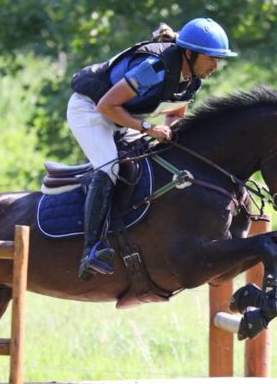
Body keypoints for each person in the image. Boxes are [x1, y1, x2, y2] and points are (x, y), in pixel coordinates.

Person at [67, 17, 238, 280]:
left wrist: (171, 133)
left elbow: (175, 114)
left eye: (218, 59)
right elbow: (106, 106)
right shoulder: (153, 69)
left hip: (120, 115)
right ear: (190, 54)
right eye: (211, 58)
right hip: (91, 110)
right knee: (109, 166)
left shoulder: (193, 80)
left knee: (149, 160)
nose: (215, 65)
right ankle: (91, 250)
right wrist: (148, 128)